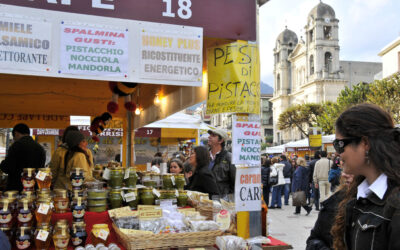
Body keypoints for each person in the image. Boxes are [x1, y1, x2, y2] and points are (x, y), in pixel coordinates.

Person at [331, 103, 400, 249]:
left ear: (365, 143)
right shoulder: (358, 194)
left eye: (339, 144)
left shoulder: (395, 203)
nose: (337, 153)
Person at [306, 172, 354, 250]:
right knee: (324, 195)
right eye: (344, 167)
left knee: (322, 195)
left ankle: (317, 205)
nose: (344, 174)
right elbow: (315, 239)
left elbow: (315, 174)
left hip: (321, 181)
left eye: (352, 169)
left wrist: (315, 181)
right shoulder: (333, 203)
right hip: (326, 181)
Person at [0, 123, 46, 191]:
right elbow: (41, 171)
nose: (14, 139)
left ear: (16, 133)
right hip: (33, 188)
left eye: (14, 137)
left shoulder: (16, 146)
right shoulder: (40, 148)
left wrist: (2, 163)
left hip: (16, 188)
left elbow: (8, 167)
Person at [207, 128, 235, 197]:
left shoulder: (229, 158)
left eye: (213, 135)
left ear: (221, 140)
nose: (209, 137)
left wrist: (227, 197)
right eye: (210, 135)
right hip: (205, 199)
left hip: (222, 199)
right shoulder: (204, 156)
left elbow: (235, 182)